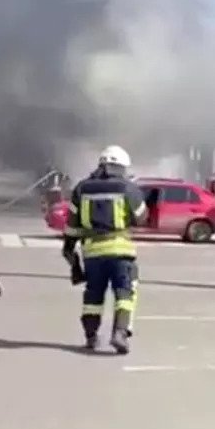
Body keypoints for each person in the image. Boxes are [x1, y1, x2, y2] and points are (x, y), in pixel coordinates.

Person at [61, 145, 147, 355]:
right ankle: (120, 333)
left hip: (93, 253)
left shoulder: (82, 188)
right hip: (121, 252)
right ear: (121, 167)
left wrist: (69, 252)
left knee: (93, 296)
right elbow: (141, 217)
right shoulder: (127, 187)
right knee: (125, 293)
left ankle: (91, 336)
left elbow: (72, 225)